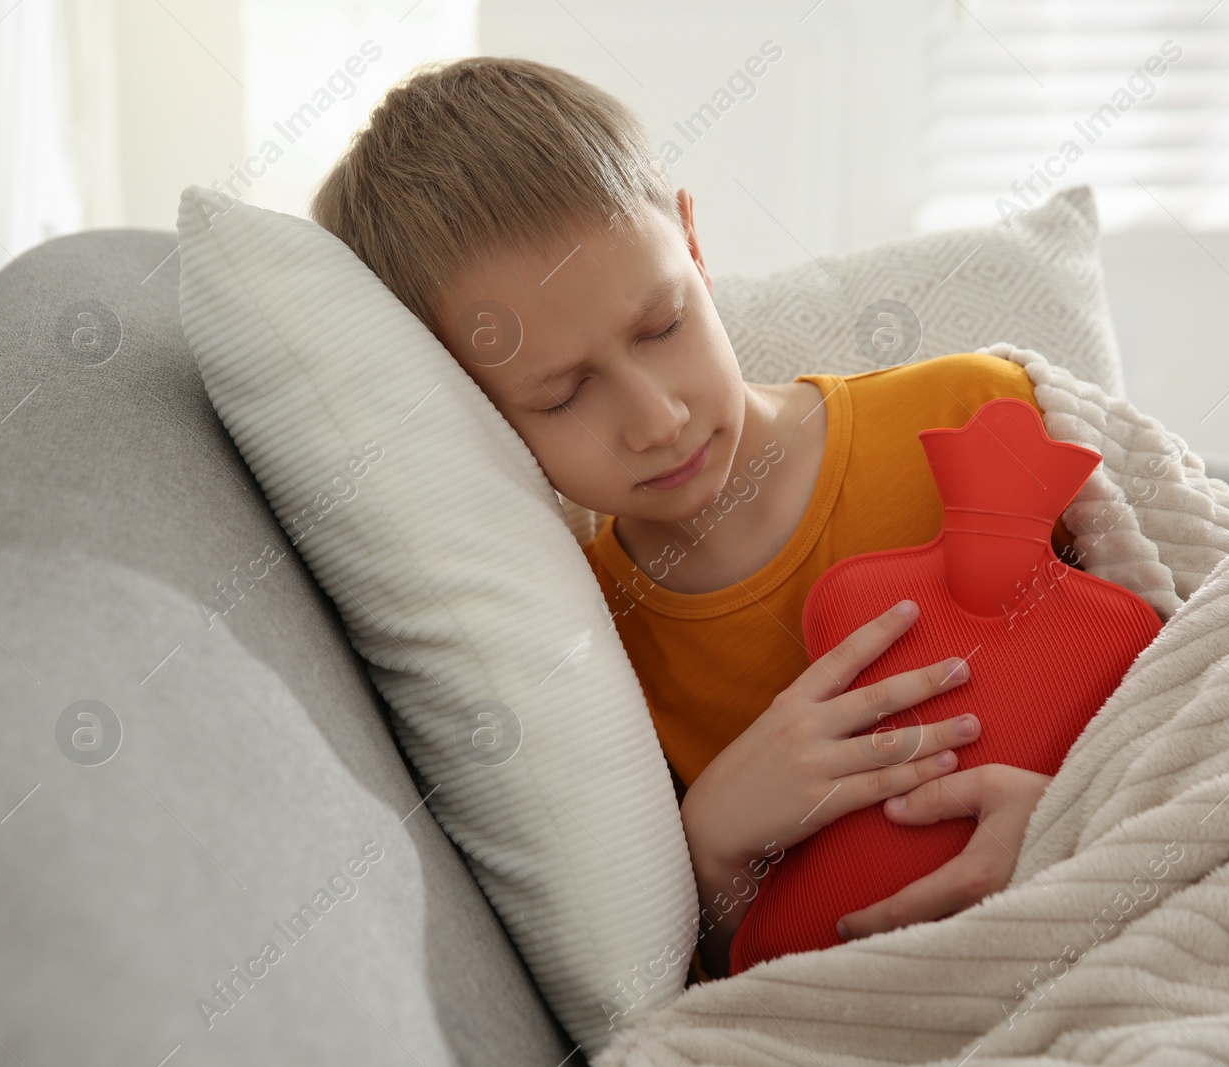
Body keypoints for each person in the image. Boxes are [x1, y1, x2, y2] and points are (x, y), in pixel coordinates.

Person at [311, 55, 1065, 981]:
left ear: (694, 246)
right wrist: (709, 841)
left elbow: (1185, 663)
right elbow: (716, 974)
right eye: (562, 393)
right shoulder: (585, 643)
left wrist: (1073, 818)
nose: (657, 419)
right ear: (476, 415)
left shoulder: (972, 412)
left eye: (662, 325)